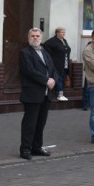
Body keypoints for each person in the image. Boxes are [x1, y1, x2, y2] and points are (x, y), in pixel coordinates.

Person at [18, 28, 57, 160]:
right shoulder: (25, 53)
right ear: (29, 37)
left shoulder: (45, 52)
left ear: (41, 37)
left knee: (41, 123)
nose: (35, 38)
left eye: (37, 36)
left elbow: (52, 68)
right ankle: (25, 149)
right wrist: (46, 80)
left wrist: (54, 79)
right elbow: (29, 71)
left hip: (46, 94)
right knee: (30, 123)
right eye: (32, 36)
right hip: (32, 93)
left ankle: (37, 147)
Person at [42, 27, 72, 101]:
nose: (64, 34)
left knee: (62, 78)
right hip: (57, 64)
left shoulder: (64, 41)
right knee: (59, 78)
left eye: (64, 32)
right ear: (57, 33)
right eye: (62, 32)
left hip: (65, 63)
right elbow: (45, 46)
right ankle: (60, 95)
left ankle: (59, 93)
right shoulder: (53, 41)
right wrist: (50, 59)